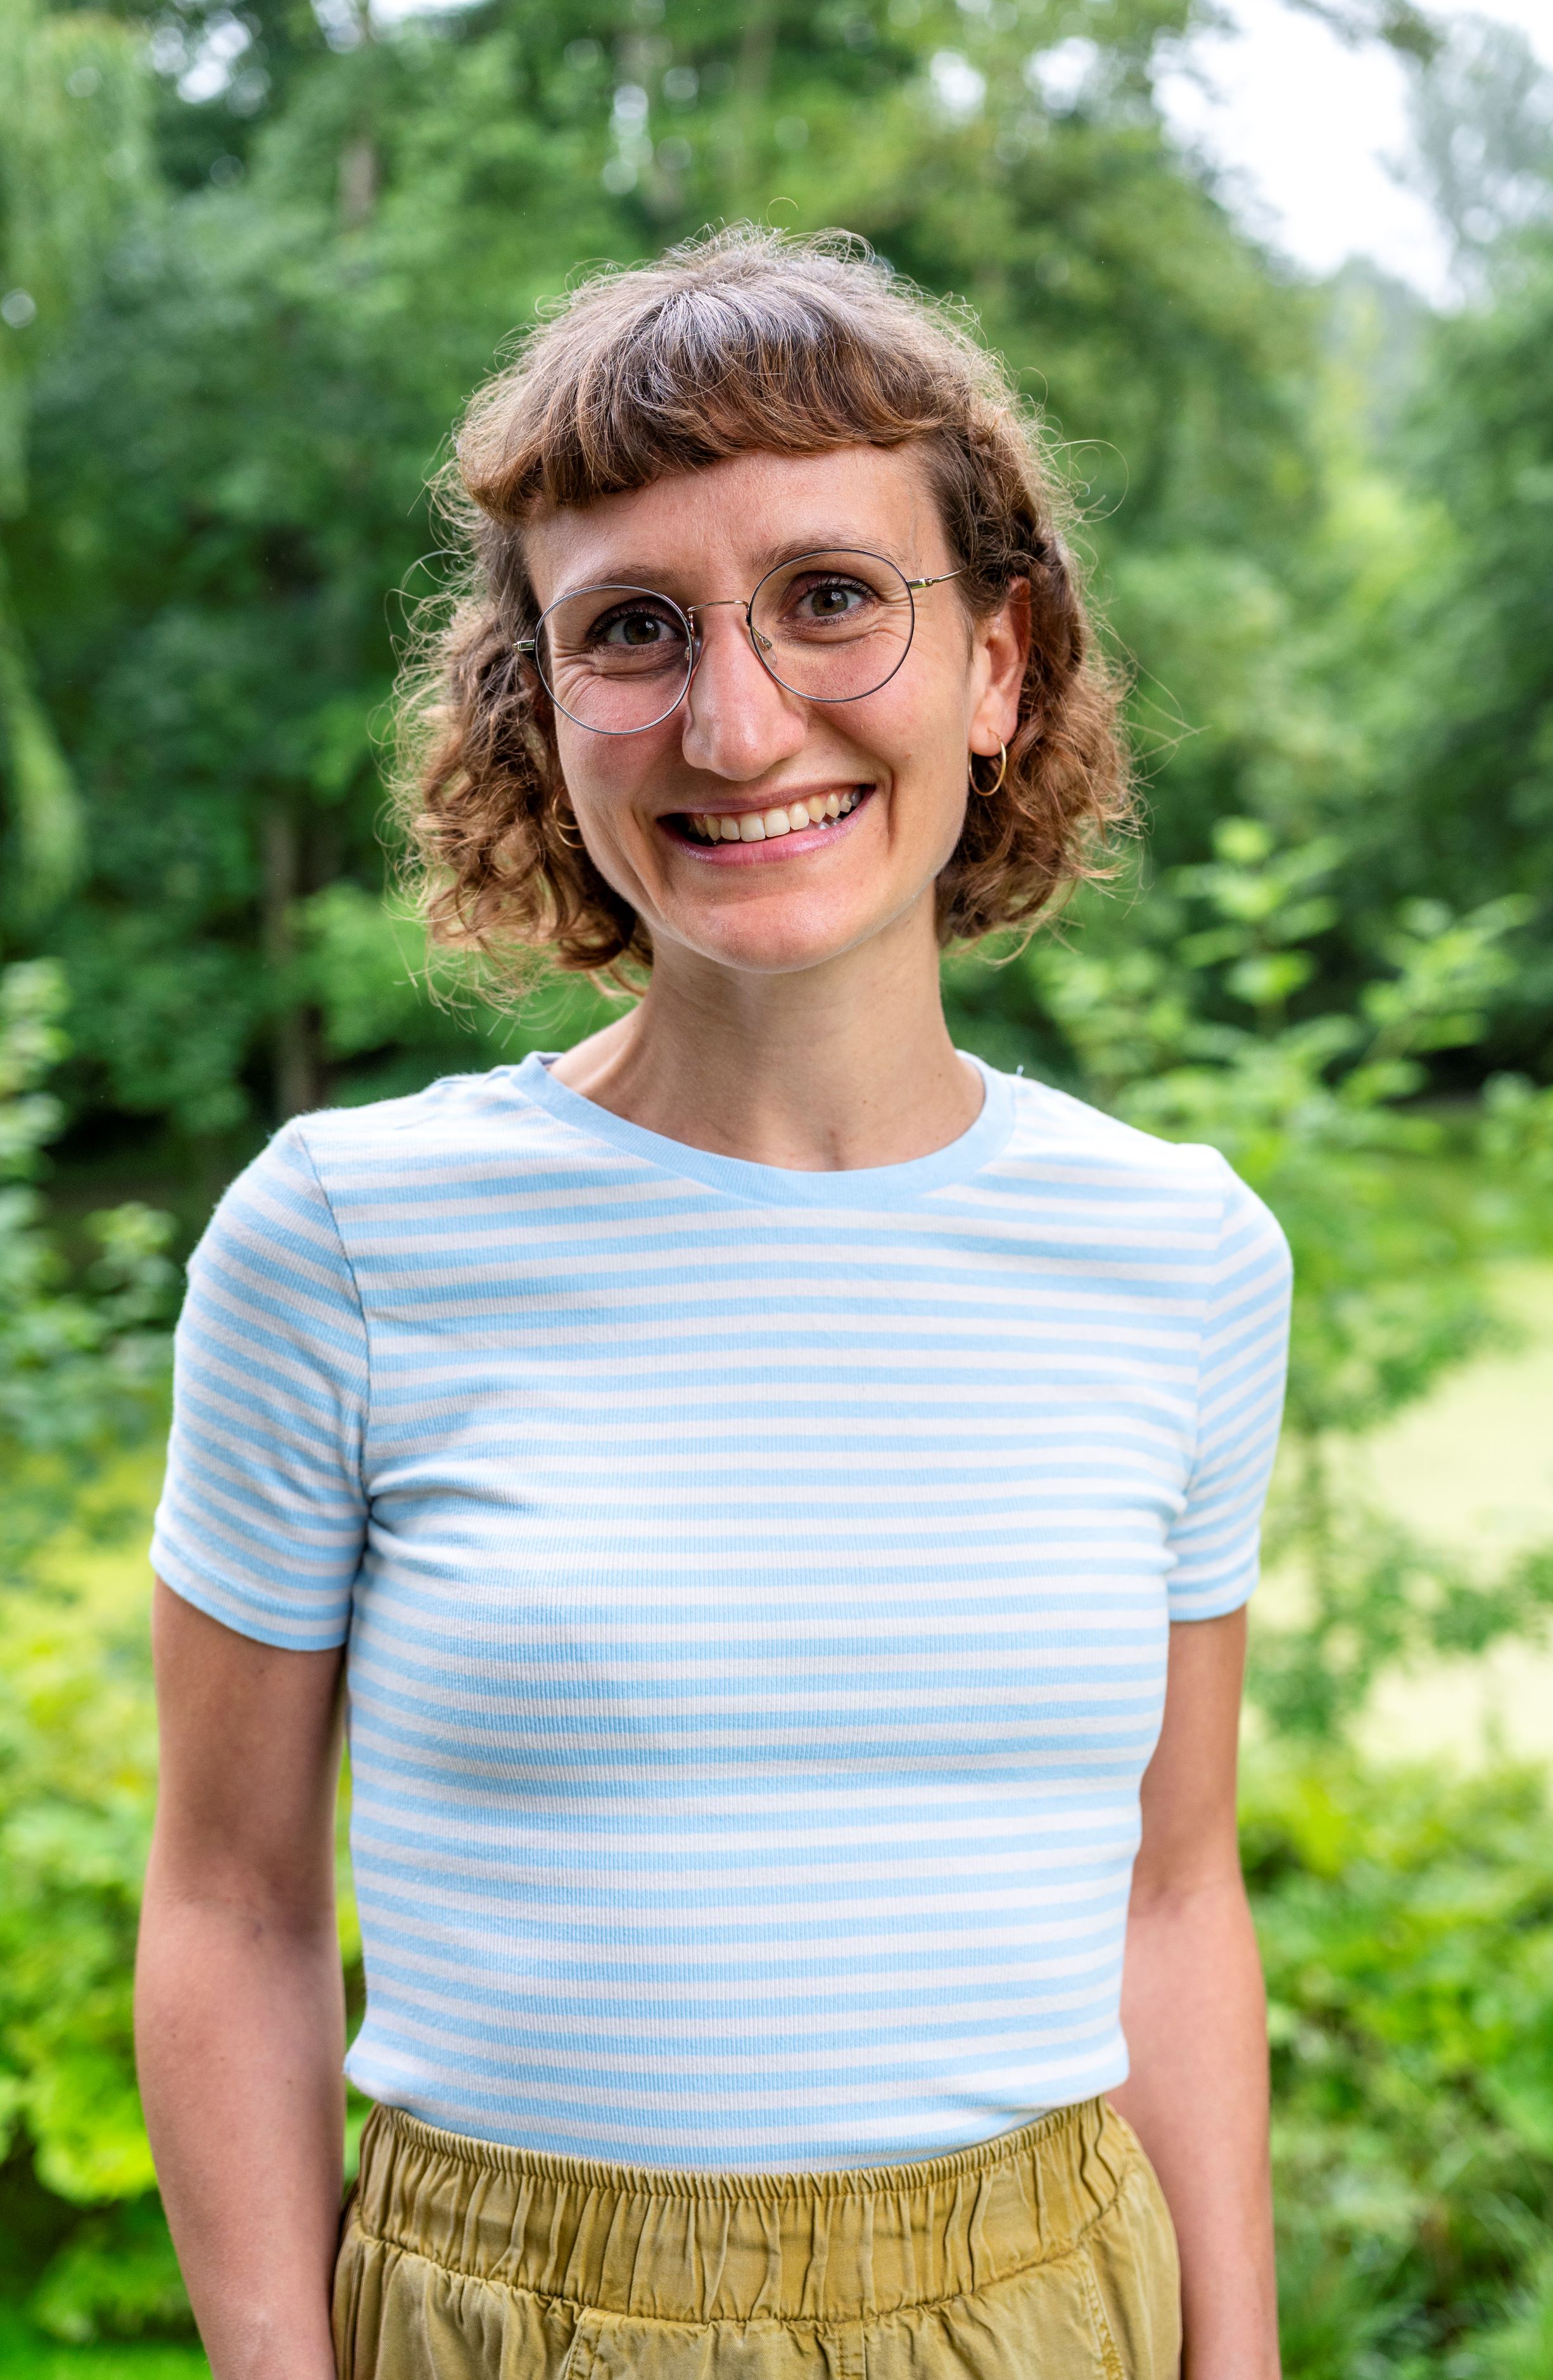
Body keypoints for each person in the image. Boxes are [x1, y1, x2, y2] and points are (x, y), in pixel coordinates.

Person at [136, 227, 1291, 2380]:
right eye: (634, 632)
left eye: (832, 598)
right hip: (507, 2319)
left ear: (1002, 666)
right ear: (542, 707)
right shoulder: (343, 1242)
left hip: (1053, 2309)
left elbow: (1171, 1899)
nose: (736, 719)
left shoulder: (1180, 1253)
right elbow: (234, 1909)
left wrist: (1234, 2362)